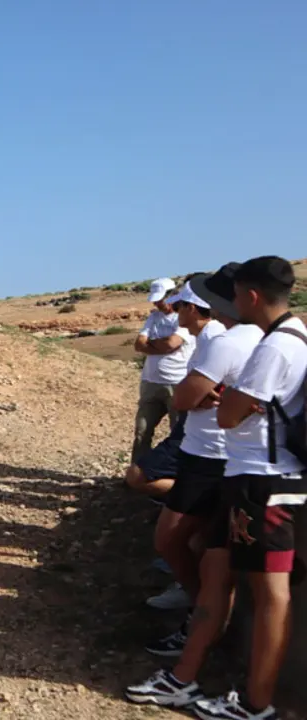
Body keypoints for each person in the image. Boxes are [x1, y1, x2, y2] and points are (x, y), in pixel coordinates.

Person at [124, 263, 267, 709]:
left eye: (189, 302)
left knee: (188, 548)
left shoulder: (228, 341)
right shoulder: (259, 338)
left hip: (219, 461)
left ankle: (204, 659)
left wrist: (208, 393)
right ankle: (201, 641)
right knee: (203, 555)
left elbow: (188, 397)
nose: (183, 309)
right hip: (210, 457)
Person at [193, 256, 305, 720]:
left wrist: (236, 399)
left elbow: (227, 415)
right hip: (277, 476)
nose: (232, 303)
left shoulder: (273, 348)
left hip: (263, 480)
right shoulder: (299, 336)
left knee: (270, 595)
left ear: (251, 296)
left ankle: (257, 704)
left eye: (236, 295)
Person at [132, 278, 196, 464]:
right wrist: (161, 346)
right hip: (151, 381)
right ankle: (137, 472)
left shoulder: (183, 319)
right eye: (156, 300)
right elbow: (138, 344)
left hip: (177, 382)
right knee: (141, 431)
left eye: (161, 299)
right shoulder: (153, 317)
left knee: (178, 432)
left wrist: (152, 345)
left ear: (173, 295)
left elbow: (172, 343)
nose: (158, 304)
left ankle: (176, 474)